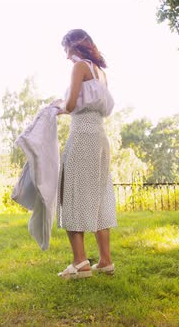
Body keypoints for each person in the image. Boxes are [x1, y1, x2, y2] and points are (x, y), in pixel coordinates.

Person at [54, 29, 117, 279]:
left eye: (65, 49)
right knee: (99, 195)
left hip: (82, 135)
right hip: (100, 136)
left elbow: (70, 105)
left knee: (73, 192)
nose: (66, 56)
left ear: (73, 45)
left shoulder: (79, 66)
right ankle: (105, 261)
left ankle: (80, 263)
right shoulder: (101, 73)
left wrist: (57, 107)